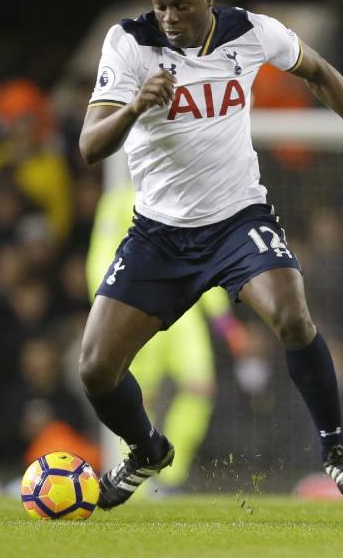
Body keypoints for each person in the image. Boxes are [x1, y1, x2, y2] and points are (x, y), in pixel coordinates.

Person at [78, 0, 343, 509]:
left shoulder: (251, 32)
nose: (170, 18)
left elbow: (321, 72)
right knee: (95, 370)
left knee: (292, 315)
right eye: (161, 6)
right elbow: (89, 147)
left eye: (181, 5)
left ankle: (334, 447)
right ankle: (147, 448)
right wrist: (134, 107)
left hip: (237, 220)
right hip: (159, 234)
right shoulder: (128, 43)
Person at [86, 183, 248, 492]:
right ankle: (140, 485)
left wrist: (225, 322)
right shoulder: (119, 201)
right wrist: (107, 309)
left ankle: (172, 477)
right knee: (139, 398)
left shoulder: (188, 195)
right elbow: (100, 256)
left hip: (184, 313)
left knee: (200, 388)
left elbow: (203, 259)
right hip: (137, 309)